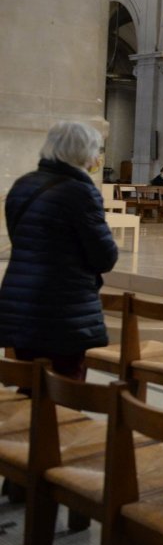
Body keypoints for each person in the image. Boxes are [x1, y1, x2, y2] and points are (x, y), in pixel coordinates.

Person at [0, 121, 118, 379]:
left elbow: (21, 239)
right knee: (66, 383)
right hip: (63, 306)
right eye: (96, 150)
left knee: (29, 379)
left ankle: (29, 420)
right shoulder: (80, 191)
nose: (97, 157)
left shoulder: (23, 184)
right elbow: (104, 257)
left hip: (19, 300)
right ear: (83, 152)